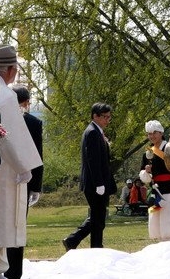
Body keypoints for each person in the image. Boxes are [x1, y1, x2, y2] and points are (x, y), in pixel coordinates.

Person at [0, 45, 42, 279]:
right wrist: (25, 167)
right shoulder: (6, 95)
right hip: (3, 172)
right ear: (11, 69)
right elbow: (9, 137)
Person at [62, 103, 117, 250]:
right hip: (95, 183)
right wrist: (99, 183)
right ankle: (90, 245)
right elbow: (93, 160)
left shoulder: (97, 132)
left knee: (98, 217)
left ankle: (75, 241)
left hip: (99, 182)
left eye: (109, 117)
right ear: (95, 116)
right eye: (104, 117)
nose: (107, 120)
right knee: (98, 218)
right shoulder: (92, 132)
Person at [5, 85, 45, 279]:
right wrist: (36, 187)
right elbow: (37, 157)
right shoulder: (34, 123)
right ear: (26, 102)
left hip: (3, 179)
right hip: (23, 181)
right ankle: (13, 271)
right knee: (17, 226)